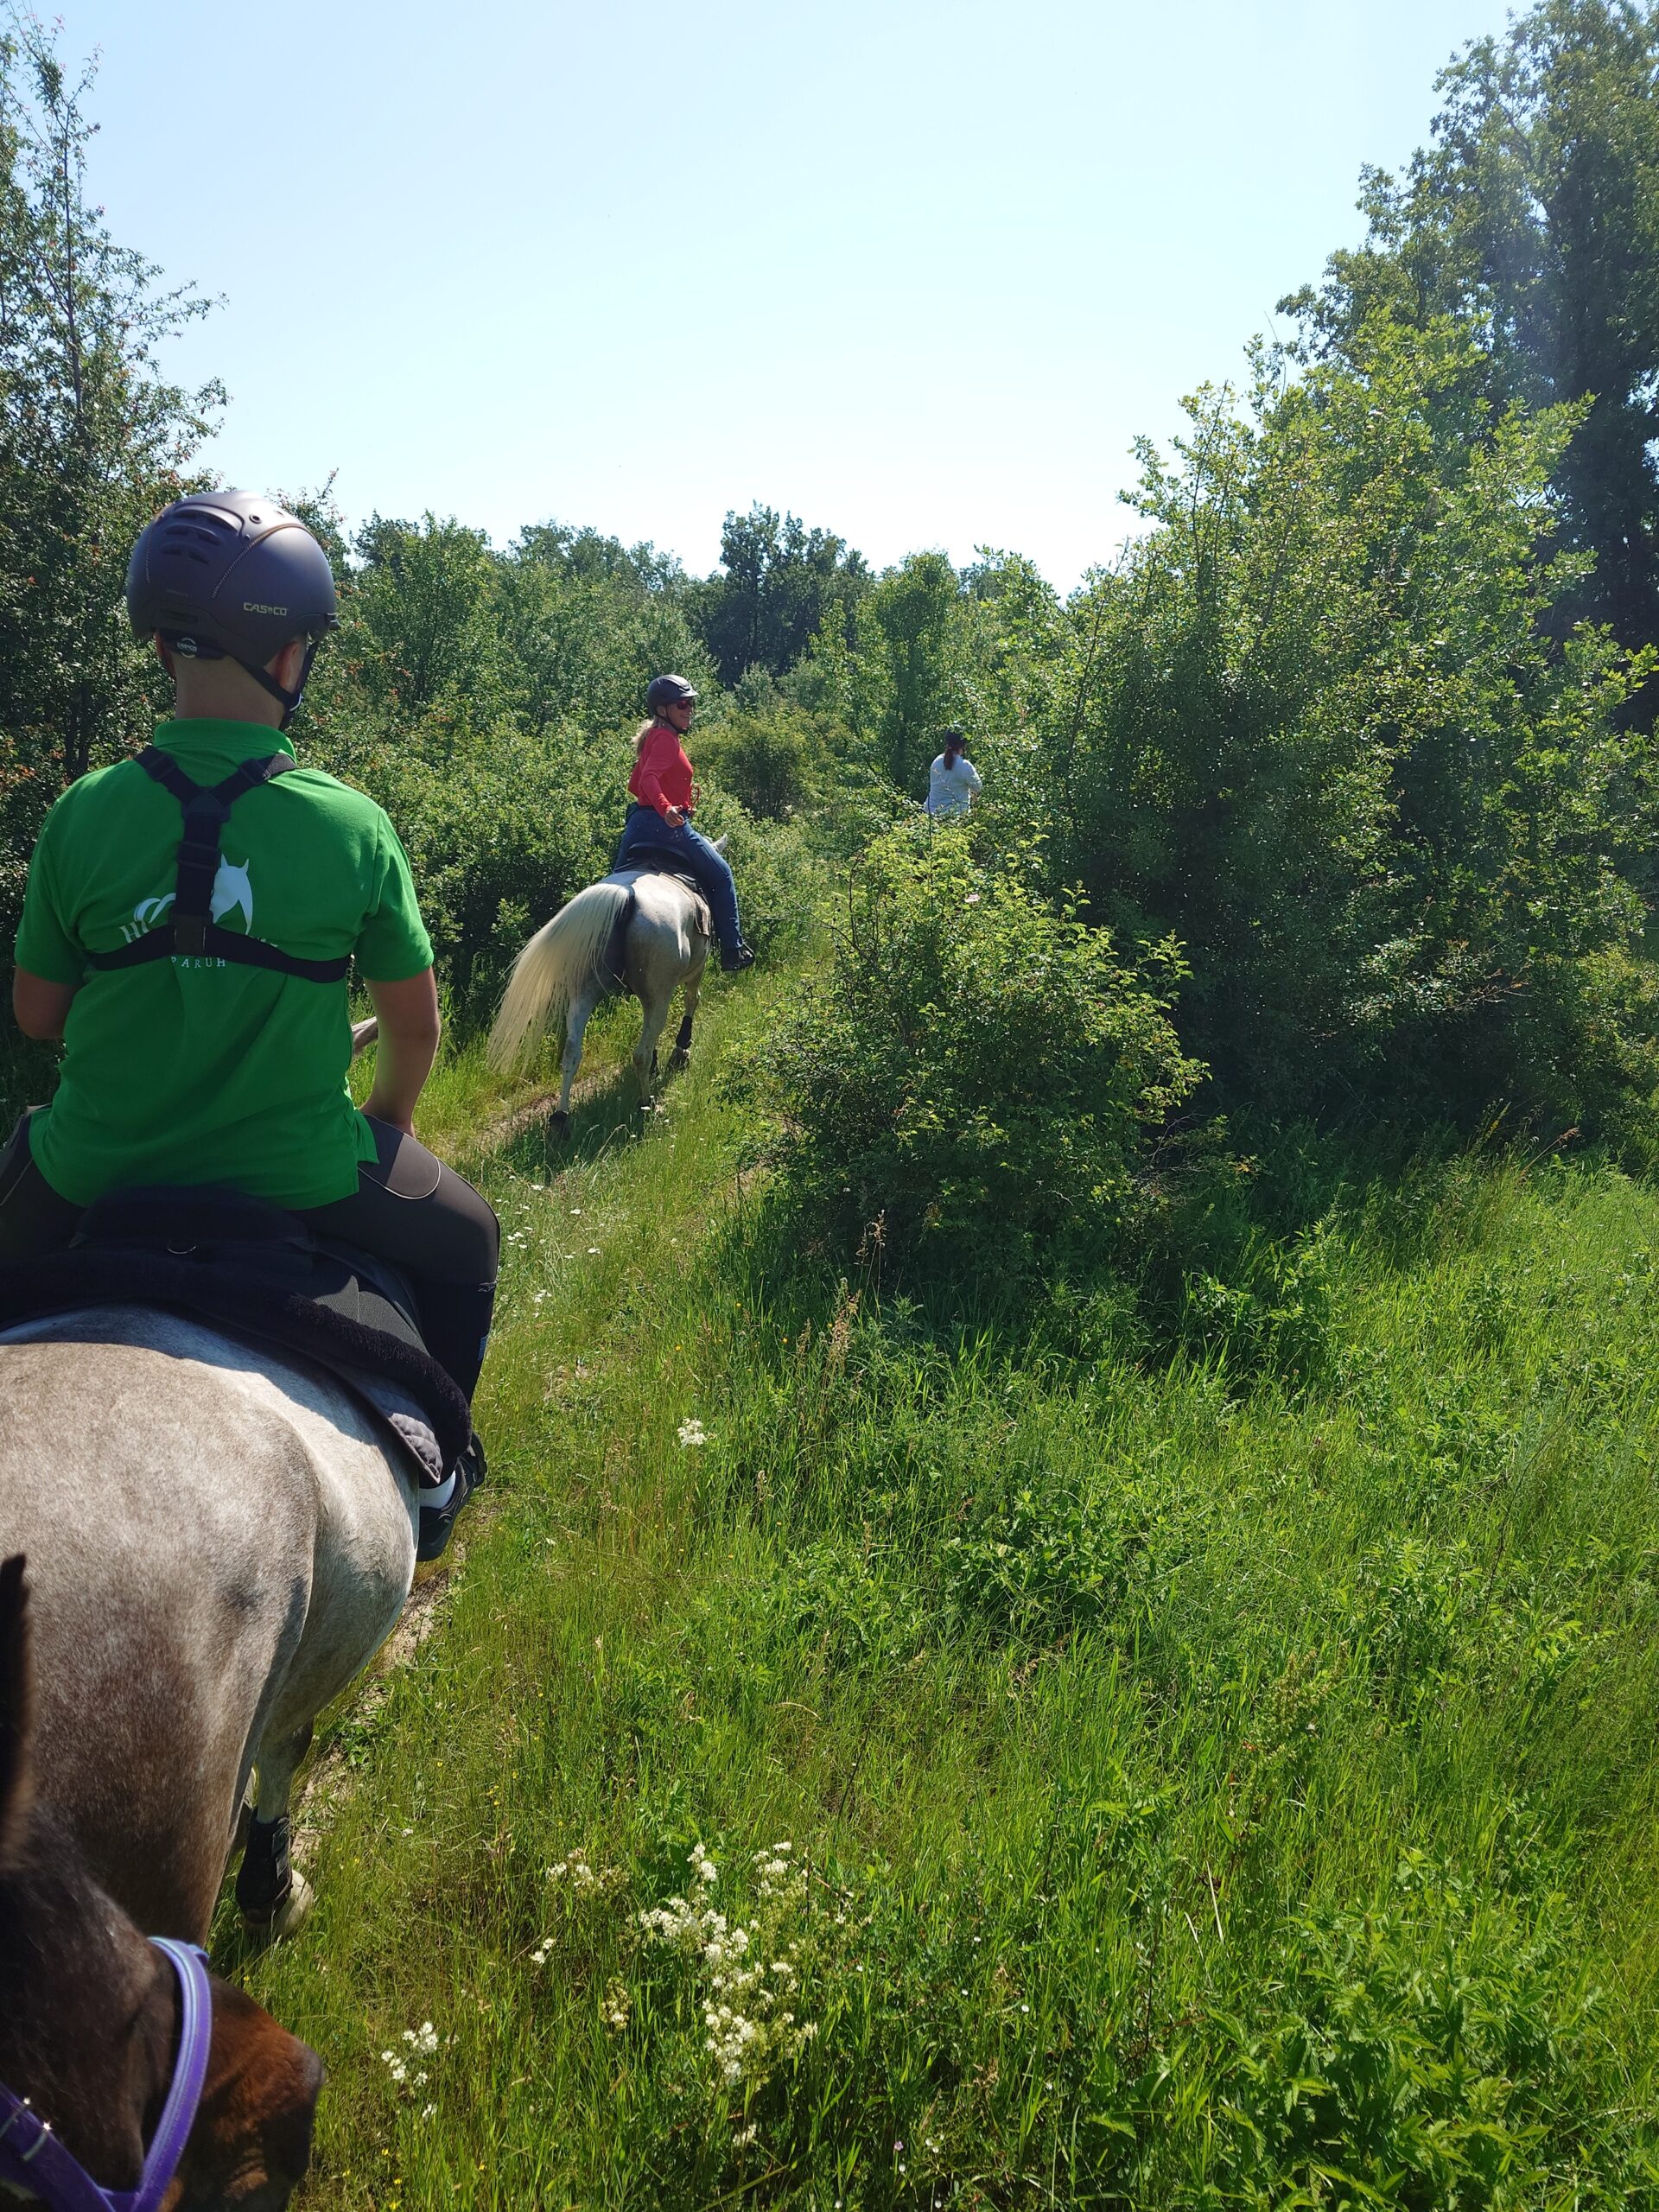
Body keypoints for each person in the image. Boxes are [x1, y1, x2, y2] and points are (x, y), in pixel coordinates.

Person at [3, 489, 496, 1559]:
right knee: (469, 1243)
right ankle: (446, 1470)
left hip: (90, 1167)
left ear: (165, 642)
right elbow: (413, 1029)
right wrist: (387, 1122)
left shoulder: (82, 811)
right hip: (301, 1171)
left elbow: (38, 1014)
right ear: (283, 653)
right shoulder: (350, 823)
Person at [613, 675, 754, 970]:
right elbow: (650, 779)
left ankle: (608, 958)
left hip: (637, 825)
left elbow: (635, 784)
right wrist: (667, 808)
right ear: (662, 710)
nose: (689, 708)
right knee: (721, 875)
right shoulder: (665, 740)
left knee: (613, 891)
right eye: (682, 704)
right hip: (667, 827)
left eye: (691, 703)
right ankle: (733, 950)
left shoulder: (652, 737)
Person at [925, 726, 982, 820]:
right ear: (964, 744)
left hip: (930, 815)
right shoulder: (965, 766)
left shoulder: (937, 761)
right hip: (955, 818)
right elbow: (978, 789)